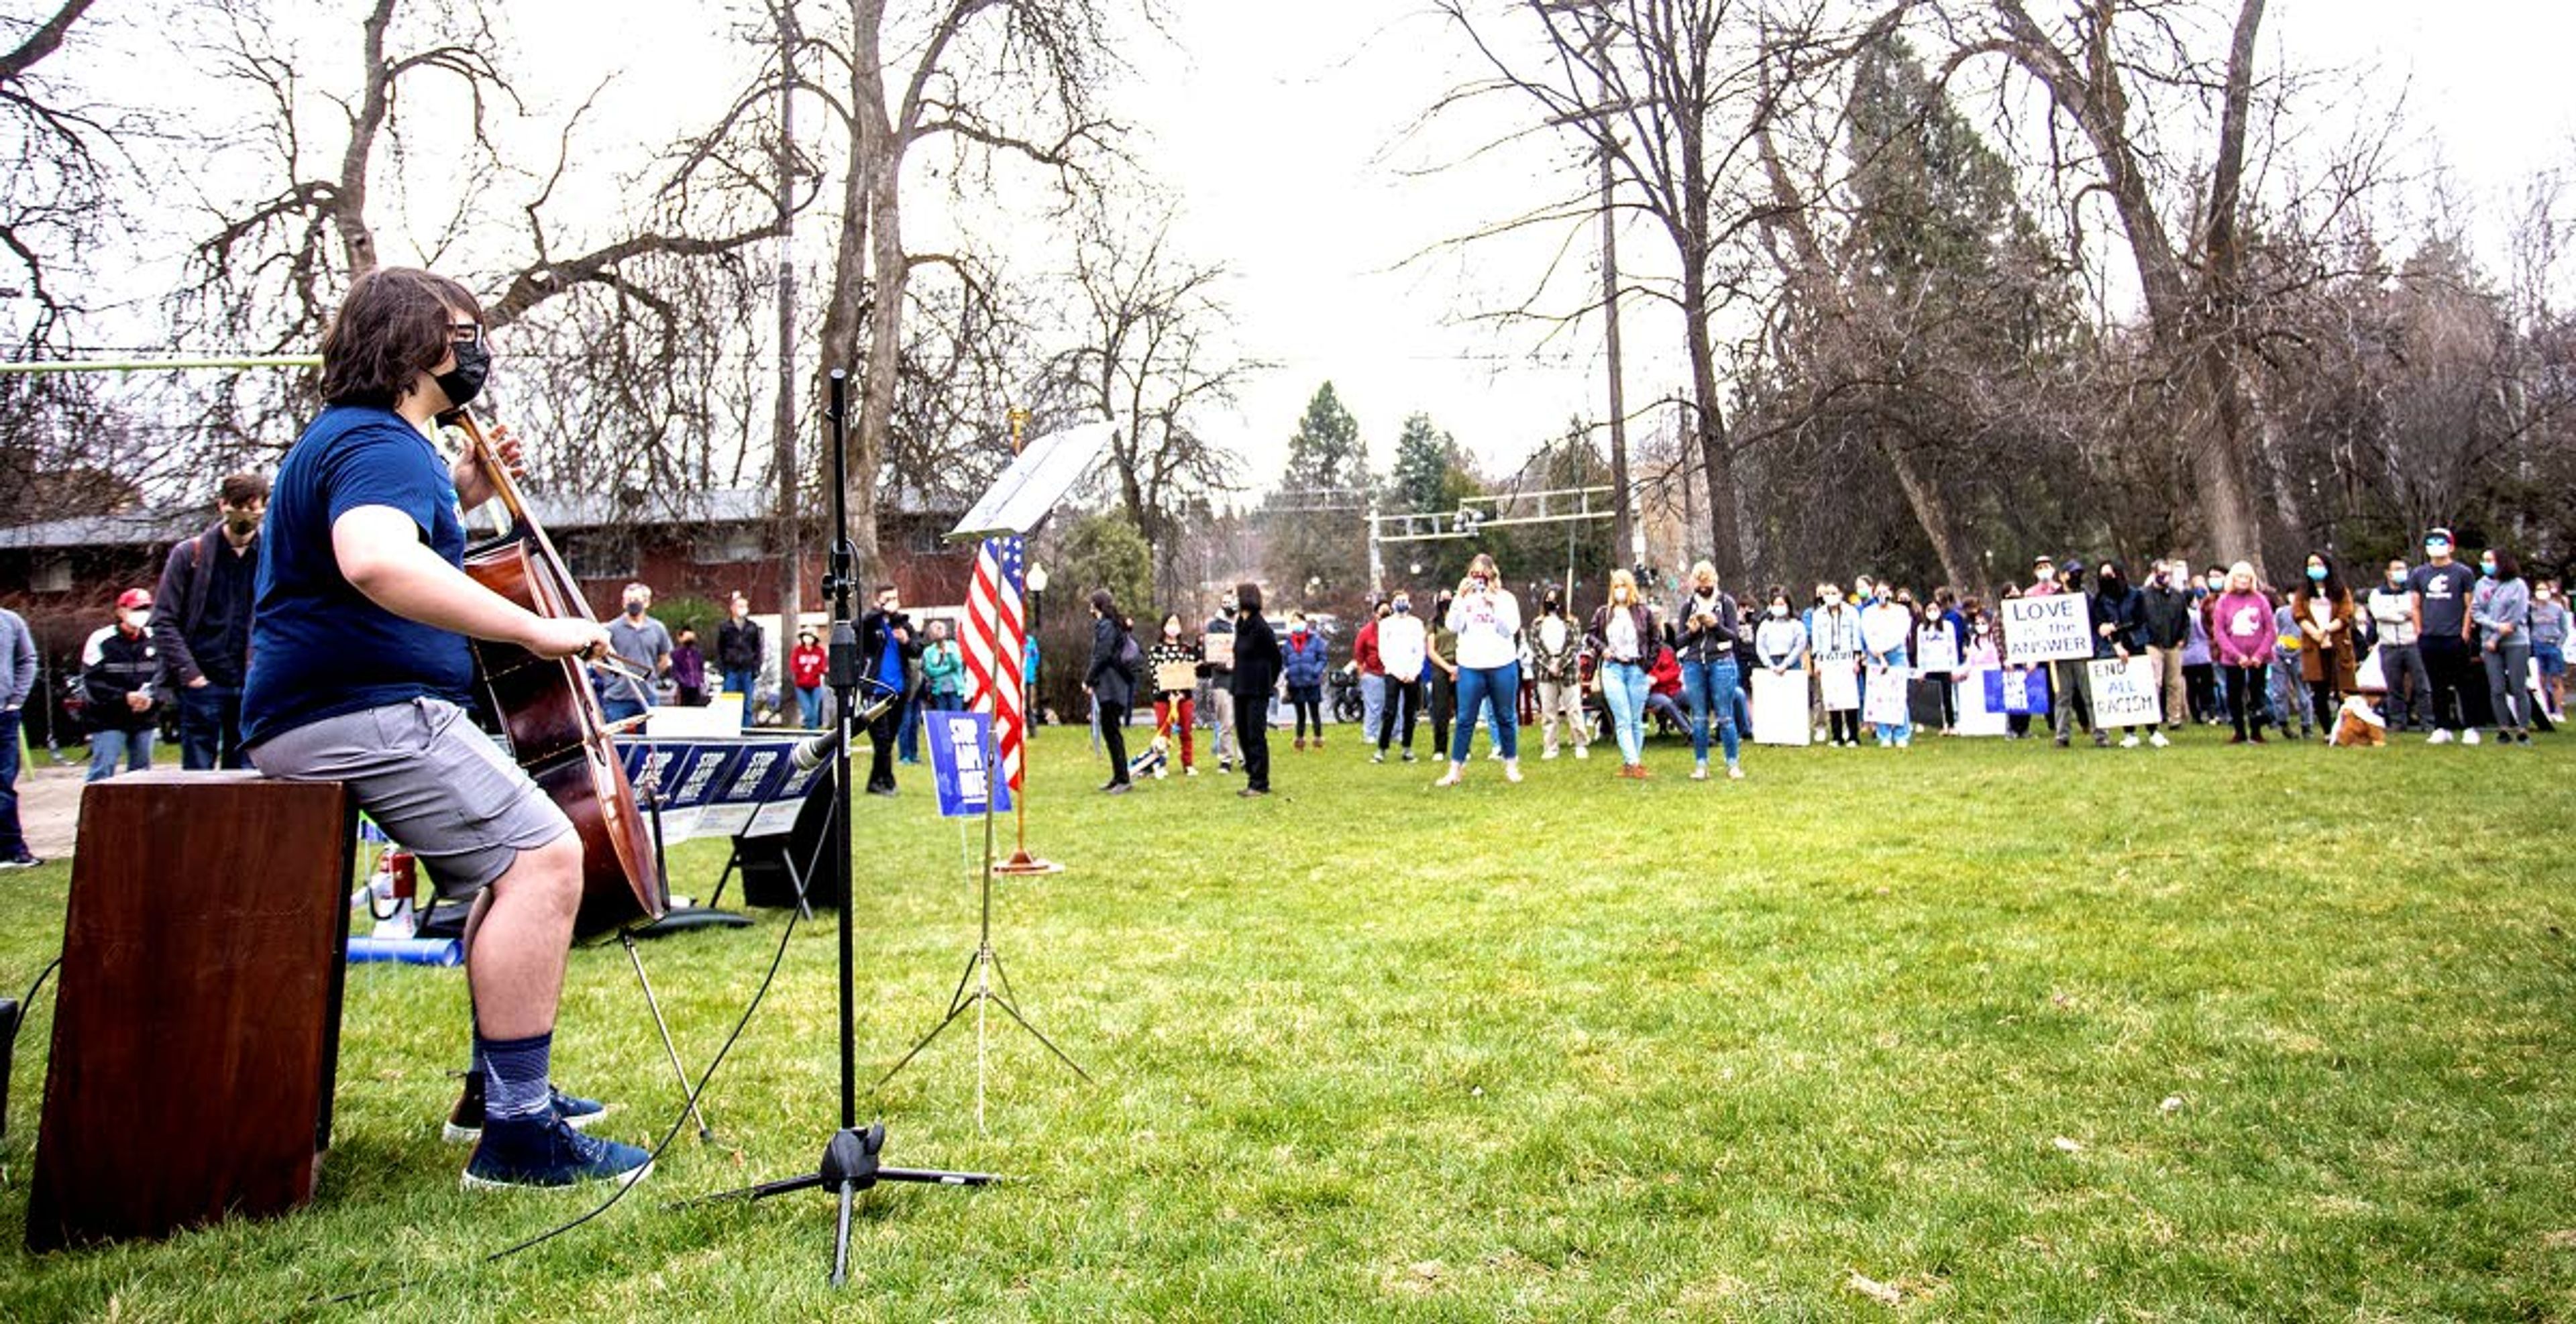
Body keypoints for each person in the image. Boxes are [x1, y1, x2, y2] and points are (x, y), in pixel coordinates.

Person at [240, 266, 645, 1190]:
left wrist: (457, 491)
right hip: (357, 708)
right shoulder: (380, 441)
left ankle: (489, 1089)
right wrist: (537, 627)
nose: (478, 352)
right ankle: (518, 1137)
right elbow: (376, 561)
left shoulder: (375, 444)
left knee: (493, 877)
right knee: (545, 857)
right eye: (464, 332)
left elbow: (394, 538)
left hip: (337, 706)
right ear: (413, 341)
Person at [150, 471, 268, 769]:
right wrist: (191, 675)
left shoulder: (273, 557)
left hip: (251, 682)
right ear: (222, 506)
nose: (244, 517)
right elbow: (163, 620)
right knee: (197, 776)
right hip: (203, 682)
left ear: (264, 508)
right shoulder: (190, 555)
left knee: (246, 776)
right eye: (237, 508)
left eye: (252, 509)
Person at [1436, 552, 1524, 786]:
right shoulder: (1464, 600)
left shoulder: (1506, 599)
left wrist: (1493, 605)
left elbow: (1510, 629)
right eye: (1474, 574)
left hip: (1502, 664)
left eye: (1483, 575)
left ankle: (1511, 765)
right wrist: (1458, 598)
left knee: (1505, 716)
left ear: (1492, 575)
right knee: (1465, 718)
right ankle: (1455, 769)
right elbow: (1452, 626)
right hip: (1471, 665)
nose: (1479, 579)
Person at [1672, 561, 1744, 779]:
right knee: (1699, 717)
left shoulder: (1726, 603)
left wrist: (1716, 626)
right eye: (1699, 583)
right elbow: (1678, 642)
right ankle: (1701, 765)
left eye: (1707, 582)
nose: (1703, 587)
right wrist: (1692, 631)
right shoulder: (1688, 605)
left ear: (1714, 580)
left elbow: (1734, 636)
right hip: (1694, 662)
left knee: (1725, 716)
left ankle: (1733, 764)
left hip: (1721, 661)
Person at [82, 588, 161, 781]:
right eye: (136, 608)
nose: (141, 613)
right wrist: (124, 697)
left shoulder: (157, 639)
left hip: (145, 717)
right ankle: (96, 811)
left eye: (145, 608)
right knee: (103, 768)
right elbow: (92, 682)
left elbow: (165, 678)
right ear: (121, 611)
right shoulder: (101, 639)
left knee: (142, 774)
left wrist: (153, 700)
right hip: (108, 718)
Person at [2410, 527, 2480, 743]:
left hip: (2455, 637)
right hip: (2430, 637)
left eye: (2441, 543)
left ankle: (2470, 727)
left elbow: (2470, 605)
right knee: (2436, 684)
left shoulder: (2463, 573)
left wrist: (2465, 632)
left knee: (2463, 683)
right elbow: (2415, 605)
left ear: (2451, 546)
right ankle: (2442, 727)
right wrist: (2420, 632)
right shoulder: (2419, 574)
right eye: (2431, 543)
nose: (2436, 547)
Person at [1589, 567, 1657, 777]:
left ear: (1630, 587)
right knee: (1623, 718)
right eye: (1616, 586)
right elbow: (1591, 636)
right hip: (1613, 669)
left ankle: (1632, 764)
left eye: (1623, 585)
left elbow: (1656, 640)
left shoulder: (1643, 612)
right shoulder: (1604, 613)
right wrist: (1603, 650)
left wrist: (1647, 665)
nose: (1619, 590)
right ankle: (1634, 763)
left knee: (1637, 719)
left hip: (1637, 668)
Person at [2090, 561, 2157, 748]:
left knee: (2144, 688)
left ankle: (2153, 730)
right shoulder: (2100, 600)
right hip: (2114, 648)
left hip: (2136, 643)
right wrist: (2116, 644)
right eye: (2103, 576)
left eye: (2110, 574)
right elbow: (2101, 624)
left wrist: (2116, 626)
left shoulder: (2136, 595)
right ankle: (2130, 733)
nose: (2107, 579)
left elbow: (2139, 619)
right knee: (2125, 691)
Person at [857, 585, 916, 793]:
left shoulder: (903, 625)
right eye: (887, 598)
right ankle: (888, 781)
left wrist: (907, 641)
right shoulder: (872, 623)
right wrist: (879, 610)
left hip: (898, 691)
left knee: (888, 740)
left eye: (895, 597)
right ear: (878, 601)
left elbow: (918, 650)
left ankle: (875, 782)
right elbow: (858, 627)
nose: (892, 602)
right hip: (875, 691)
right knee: (881, 740)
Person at [2292, 553, 2357, 739]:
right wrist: (2316, 635)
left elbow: (2346, 615)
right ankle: (2328, 731)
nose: (2315, 568)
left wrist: (2327, 631)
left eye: (2319, 564)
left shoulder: (2341, 591)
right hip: (2313, 647)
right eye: (2311, 565)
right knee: (2319, 691)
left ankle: (2346, 728)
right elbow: (2298, 616)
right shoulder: (2303, 593)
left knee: (2344, 689)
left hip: (2338, 644)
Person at [2472, 547, 2533, 744]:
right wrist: (2494, 628)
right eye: (2484, 560)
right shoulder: (2481, 584)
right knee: (2496, 688)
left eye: (2490, 560)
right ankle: (2503, 729)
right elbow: (2477, 611)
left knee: (2518, 687)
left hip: (2516, 642)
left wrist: (2496, 637)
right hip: (2489, 644)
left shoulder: (2518, 585)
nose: (2486, 563)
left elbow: (2516, 617)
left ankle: (2523, 729)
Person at [2209, 562, 2275, 744]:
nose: (2243, 580)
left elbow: (2270, 630)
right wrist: (2237, 656)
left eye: (2247, 577)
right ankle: (2239, 731)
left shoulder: (2261, 600)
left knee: (2257, 693)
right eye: (2240, 576)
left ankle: (2256, 731)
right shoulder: (2224, 600)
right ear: (2233, 579)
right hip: (2233, 659)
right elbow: (2220, 632)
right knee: (2234, 694)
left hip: (2258, 658)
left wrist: (2259, 655)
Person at [1226, 583, 1280, 796]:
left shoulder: (1261, 627)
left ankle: (1260, 782)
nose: (1233, 600)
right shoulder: (1241, 624)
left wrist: (1269, 681)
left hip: (1257, 689)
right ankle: (1252, 777)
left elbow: (1276, 657)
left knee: (1255, 734)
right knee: (1243, 734)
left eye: (1235, 596)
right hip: (1240, 687)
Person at [2365, 559, 2427, 732]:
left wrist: (2402, 614)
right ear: (2388, 573)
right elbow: (2379, 614)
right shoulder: (2377, 594)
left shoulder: (2412, 592)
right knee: (2394, 687)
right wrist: (2403, 615)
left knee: (2422, 685)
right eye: (2397, 569)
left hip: (2413, 643)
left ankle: (2428, 721)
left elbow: (2416, 610)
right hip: (2389, 644)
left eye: (2403, 569)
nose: (2401, 572)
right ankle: (2398, 722)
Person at [1083, 588, 1136, 793]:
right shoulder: (1112, 625)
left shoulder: (1105, 626)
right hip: (1113, 684)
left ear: (1096, 605)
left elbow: (1102, 655)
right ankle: (1118, 776)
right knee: (1110, 730)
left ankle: (1124, 778)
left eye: (1091, 603)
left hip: (1111, 685)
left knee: (1112, 731)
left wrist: (1088, 679)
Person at [1527, 588, 1589, 761]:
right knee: (1548, 711)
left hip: (1568, 671)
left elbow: (1575, 645)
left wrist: (1560, 663)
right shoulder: (1538, 623)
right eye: (1548, 599)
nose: (1551, 603)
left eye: (1555, 599)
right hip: (1546, 671)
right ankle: (1551, 747)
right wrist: (1550, 664)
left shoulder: (1572, 622)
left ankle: (1580, 744)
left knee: (1574, 709)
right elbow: (1536, 646)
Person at [597, 583, 672, 724]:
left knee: (650, 743)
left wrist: (651, 675)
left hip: (648, 695)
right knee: (618, 743)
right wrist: (613, 680)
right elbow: (599, 661)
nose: (633, 604)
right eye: (629, 601)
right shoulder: (611, 629)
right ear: (623, 603)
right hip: (617, 698)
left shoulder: (658, 628)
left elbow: (664, 659)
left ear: (647, 602)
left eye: (637, 600)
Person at [0, 604, 38, 868]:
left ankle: (12, 849)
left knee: (3, 784)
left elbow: (27, 660)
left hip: (4, 714)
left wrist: (16, 701)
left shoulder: (10, 621)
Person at [1375, 588, 1430, 763]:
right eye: (1398, 600)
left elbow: (1420, 651)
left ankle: (1407, 748)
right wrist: (1398, 672)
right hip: (1393, 672)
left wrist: (1413, 672)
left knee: (1410, 712)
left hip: (1412, 673)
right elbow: (1384, 652)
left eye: (1404, 600)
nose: (1401, 603)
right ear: (1393, 604)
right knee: (1390, 711)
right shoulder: (1386, 624)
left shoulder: (1416, 623)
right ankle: (1382, 749)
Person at [2139, 559, 2192, 734]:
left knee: (2174, 683)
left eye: (2168, 574)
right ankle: (2153, 716)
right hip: (2152, 643)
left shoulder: (2177, 596)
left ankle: (2174, 718)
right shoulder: (2143, 595)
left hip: (2173, 643)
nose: (2166, 577)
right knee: (2154, 682)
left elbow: (2186, 620)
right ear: (2154, 573)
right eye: (2162, 573)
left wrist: (2183, 638)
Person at [1146, 613, 1201, 777]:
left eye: (1176, 623)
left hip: (1184, 697)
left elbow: (1193, 668)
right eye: (1170, 623)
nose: (1173, 626)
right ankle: (1161, 764)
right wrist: (1169, 693)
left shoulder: (1187, 649)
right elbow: (1155, 674)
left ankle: (1188, 763)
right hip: (1164, 698)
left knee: (1186, 731)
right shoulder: (1156, 650)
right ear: (1163, 626)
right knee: (1163, 733)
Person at [1809, 582, 1862, 747]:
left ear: (1841, 594)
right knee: (1832, 698)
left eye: (1834, 593)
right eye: (1828, 593)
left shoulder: (1851, 612)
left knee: (1849, 697)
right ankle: (1837, 736)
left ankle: (1853, 736)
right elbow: (1816, 640)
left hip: (1847, 658)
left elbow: (1856, 637)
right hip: (1828, 660)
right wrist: (1817, 661)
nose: (1830, 596)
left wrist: (1857, 659)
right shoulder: (1818, 615)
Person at [1859, 580, 1912, 748]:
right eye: (1879, 592)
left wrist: (1885, 651)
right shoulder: (1868, 613)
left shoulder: (1901, 611)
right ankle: (1884, 734)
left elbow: (1900, 634)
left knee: (1898, 694)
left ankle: (1901, 733)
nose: (1882, 595)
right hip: (1875, 655)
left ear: (1891, 593)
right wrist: (1879, 655)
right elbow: (1868, 635)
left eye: (1885, 592)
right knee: (1879, 696)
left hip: (1896, 654)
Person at [1282, 611, 1329, 751]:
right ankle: (1300, 740)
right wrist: (1287, 672)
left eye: (1298, 621)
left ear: (1304, 622)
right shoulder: (1288, 643)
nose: (1296, 624)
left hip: (1312, 681)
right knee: (1300, 714)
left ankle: (1318, 738)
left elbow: (1322, 658)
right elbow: (1283, 661)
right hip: (1296, 682)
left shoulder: (1316, 640)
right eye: (1293, 622)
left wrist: (1316, 671)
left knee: (1315, 712)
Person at [716, 591, 763, 726]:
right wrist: (722, 667)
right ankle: (729, 729)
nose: (742, 609)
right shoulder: (725, 627)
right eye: (739, 606)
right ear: (732, 608)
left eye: (744, 606)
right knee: (730, 703)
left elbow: (758, 649)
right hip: (731, 669)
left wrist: (756, 667)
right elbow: (720, 648)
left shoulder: (752, 628)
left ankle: (746, 729)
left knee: (747, 704)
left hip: (747, 669)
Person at [1202, 594, 1238, 772]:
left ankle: (1246, 758)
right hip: (1223, 680)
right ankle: (1226, 759)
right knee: (1226, 722)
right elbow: (1209, 654)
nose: (1227, 605)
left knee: (1245, 722)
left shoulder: (1244, 624)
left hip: (1244, 679)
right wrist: (1224, 664)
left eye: (1230, 602)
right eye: (1224, 602)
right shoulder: (1214, 626)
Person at [2530, 577, 2568, 722]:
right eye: (2539, 589)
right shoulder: (2532, 608)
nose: (2542, 592)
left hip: (2553, 645)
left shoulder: (2557, 608)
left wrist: (2559, 645)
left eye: (2544, 589)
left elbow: (2564, 629)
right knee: (2541, 679)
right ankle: (2547, 710)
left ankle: (2559, 711)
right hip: (2537, 646)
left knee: (2555, 680)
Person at [1353, 598, 1388, 749]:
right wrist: (1363, 675)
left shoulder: (1396, 630)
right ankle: (1371, 734)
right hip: (1373, 674)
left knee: (1395, 706)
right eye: (1382, 612)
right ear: (1375, 614)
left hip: (1393, 673)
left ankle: (1395, 733)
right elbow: (1359, 654)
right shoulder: (1366, 632)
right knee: (1374, 707)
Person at [920, 618, 965, 719]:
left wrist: (947, 652)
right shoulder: (928, 651)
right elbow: (930, 671)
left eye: (940, 629)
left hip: (956, 690)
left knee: (957, 719)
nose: (938, 631)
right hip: (939, 691)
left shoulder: (953, 646)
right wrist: (948, 669)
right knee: (942, 720)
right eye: (935, 629)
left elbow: (958, 664)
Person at [788, 627, 826, 729]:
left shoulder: (820, 651)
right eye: (805, 636)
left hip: (815, 685)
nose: (807, 638)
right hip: (801, 686)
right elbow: (794, 666)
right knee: (807, 711)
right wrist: (802, 673)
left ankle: (813, 733)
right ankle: (808, 732)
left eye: (810, 636)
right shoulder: (798, 651)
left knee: (814, 711)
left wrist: (814, 671)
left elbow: (823, 667)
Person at [669, 626, 707, 706]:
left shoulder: (697, 653)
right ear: (680, 638)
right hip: (683, 688)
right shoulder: (676, 654)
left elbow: (701, 668)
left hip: (696, 687)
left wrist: (700, 679)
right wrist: (682, 681)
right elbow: (675, 670)